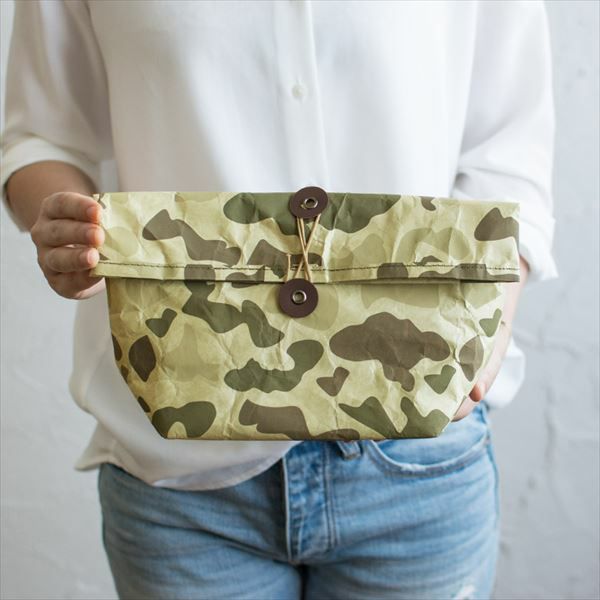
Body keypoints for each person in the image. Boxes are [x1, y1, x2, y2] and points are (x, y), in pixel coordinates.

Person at [1, 1, 558, 598]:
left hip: (418, 448)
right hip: (179, 476)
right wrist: (69, 229)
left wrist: (493, 323)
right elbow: (39, 135)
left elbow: (510, 150)